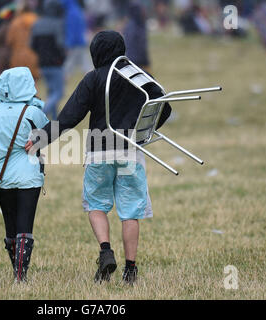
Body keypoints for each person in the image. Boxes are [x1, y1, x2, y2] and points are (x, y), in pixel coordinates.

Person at [26, 31, 172, 285]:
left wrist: (39, 139)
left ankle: (105, 251)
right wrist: (145, 131)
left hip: (99, 152)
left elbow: (69, 118)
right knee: (130, 212)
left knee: (96, 205)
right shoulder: (139, 76)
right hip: (130, 151)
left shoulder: (93, 78)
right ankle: (131, 269)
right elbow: (164, 106)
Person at [0, 67, 49, 282]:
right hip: (29, 177)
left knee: (10, 228)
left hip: (1, 179)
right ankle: (20, 276)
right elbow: (51, 132)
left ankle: (15, 269)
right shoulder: (33, 113)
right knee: (25, 225)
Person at [31, 0, 66, 120]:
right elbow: (61, 44)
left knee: (51, 92)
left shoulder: (37, 23)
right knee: (59, 93)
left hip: (42, 63)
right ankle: (42, 113)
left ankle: (55, 118)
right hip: (56, 63)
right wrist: (62, 57)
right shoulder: (58, 23)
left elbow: (32, 45)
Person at [7, 2, 40, 80]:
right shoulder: (36, 20)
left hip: (18, 57)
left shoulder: (15, 23)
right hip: (33, 56)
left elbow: (9, 41)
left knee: (19, 84)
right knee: (33, 84)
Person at [61, 0, 92, 79]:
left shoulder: (70, 13)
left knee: (69, 64)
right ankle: (93, 79)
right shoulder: (77, 10)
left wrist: (68, 44)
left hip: (75, 43)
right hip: (81, 41)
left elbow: (72, 30)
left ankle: (63, 80)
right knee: (85, 63)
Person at [123, 1, 150, 71]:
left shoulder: (139, 24)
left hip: (137, 60)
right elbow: (139, 46)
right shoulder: (134, 27)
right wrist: (145, 61)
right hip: (136, 61)